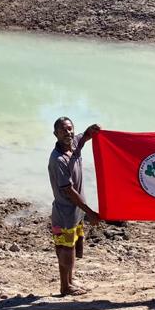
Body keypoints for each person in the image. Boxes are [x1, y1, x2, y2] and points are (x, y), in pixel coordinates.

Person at [48, 117, 101, 296]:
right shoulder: (58, 160)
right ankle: (65, 286)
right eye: (63, 130)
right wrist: (90, 212)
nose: (68, 133)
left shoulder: (73, 144)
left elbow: (84, 136)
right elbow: (68, 191)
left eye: (70, 129)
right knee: (65, 250)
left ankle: (70, 280)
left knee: (71, 246)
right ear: (56, 134)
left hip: (76, 212)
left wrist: (92, 130)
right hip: (64, 213)